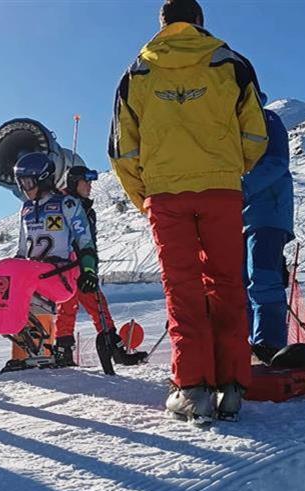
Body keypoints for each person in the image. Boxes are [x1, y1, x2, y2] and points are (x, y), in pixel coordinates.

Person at [108, 0, 268, 422]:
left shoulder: (137, 73)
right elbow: (255, 131)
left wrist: (145, 195)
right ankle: (232, 383)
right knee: (228, 283)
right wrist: (231, 168)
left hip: (165, 194)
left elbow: (123, 148)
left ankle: (192, 386)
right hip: (221, 189)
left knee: (182, 289)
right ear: (199, 22)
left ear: (162, 24)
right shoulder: (231, 63)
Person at [54, 166, 147, 367]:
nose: (90, 186)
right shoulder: (70, 206)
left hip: (75, 267)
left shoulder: (82, 207)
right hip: (73, 266)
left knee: (81, 308)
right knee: (85, 307)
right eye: (85, 182)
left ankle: (69, 352)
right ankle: (107, 350)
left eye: (90, 182)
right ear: (73, 183)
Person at [12, 153, 99, 365]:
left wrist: (89, 271)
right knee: (5, 273)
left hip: (61, 275)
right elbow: (23, 249)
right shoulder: (26, 209)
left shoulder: (66, 204)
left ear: (43, 179)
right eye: (21, 183)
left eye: (28, 182)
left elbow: (84, 241)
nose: (25, 188)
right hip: (36, 275)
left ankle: (44, 349)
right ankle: (23, 347)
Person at [242, 93, 294, 364]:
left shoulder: (267, 120)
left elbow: (276, 162)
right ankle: (248, 345)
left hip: (267, 213)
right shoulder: (231, 124)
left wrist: (240, 188)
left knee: (262, 278)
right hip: (242, 217)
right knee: (241, 284)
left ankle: (269, 344)